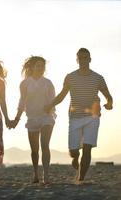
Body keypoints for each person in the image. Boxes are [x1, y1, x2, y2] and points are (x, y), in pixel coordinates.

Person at [44, 48, 113, 183]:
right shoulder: (70, 77)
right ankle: (75, 157)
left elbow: (107, 95)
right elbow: (62, 95)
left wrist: (109, 103)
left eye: (85, 58)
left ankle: (81, 178)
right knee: (74, 150)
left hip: (93, 117)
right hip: (75, 117)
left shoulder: (98, 78)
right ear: (77, 60)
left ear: (90, 59)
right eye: (80, 58)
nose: (83, 60)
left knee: (87, 148)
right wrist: (50, 105)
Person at [11, 56, 56, 185]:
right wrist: (17, 119)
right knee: (34, 150)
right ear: (32, 67)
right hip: (32, 118)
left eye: (42, 66)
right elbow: (22, 102)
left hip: (46, 117)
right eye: (38, 66)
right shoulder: (25, 84)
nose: (40, 68)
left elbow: (53, 100)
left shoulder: (48, 83)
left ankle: (46, 175)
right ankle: (36, 173)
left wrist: (50, 108)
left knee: (44, 145)